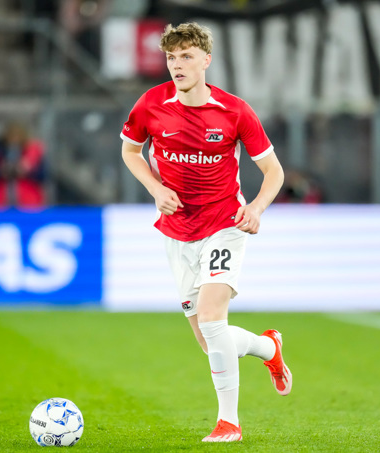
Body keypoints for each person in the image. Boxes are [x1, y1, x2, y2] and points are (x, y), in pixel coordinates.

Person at [120, 22, 291, 443]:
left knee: (214, 319)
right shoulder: (151, 104)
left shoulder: (235, 111)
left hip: (225, 224)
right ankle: (269, 348)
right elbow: (130, 151)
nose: (177, 65)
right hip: (177, 231)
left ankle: (228, 422)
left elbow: (274, 171)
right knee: (208, 340)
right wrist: (156, 189)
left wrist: (255, 208)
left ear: (206, 61)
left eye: (186, 56)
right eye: (171, 57)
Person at [0, 122, 47, 208]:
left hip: (28, 199)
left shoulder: (32, 152)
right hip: (1, 199)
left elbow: (43, 176)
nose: (14, 139)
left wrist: (27, 171)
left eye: (17, 135)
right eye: (11, 135)